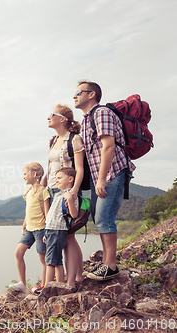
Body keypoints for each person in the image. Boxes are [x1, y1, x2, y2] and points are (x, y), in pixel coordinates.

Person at [74, 80, 135, 280]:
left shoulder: (101, 113)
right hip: (100, 175)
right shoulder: (86, 119)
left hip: (112, 172)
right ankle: (107, 263)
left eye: (78, 93)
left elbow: (108, 146)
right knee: (99, 217)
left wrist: (101, 179)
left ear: (91, 94)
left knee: (104, 216)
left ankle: (111, 265)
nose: (74, 96)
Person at [41, 104, 85, 292]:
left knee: (69, 236)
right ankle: (73, 277)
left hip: (67, 189)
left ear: (63, 119)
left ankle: (75, 278)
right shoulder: (53, 140)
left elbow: (80, 168)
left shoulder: (74, 139)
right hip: (52, 190)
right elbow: (50, 166)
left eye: (52, 114)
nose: (48, 117)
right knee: (61, 235)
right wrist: (42, 186)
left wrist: (74, 190)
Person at [8, 162, 50, 292]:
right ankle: (22, 283)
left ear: (34, 174)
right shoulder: (28, 192)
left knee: (43, 258)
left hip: (40, 229)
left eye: (25, 174)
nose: (23, 177)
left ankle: (44, 285)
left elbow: (47, 214)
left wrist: (47, 231)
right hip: (29, 229)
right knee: (18, 253)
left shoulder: (43, 191)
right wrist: (23, 226)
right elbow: (28, 211)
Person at [42, 167, 79, 293]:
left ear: (70, 179)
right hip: (51, 230)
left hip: (58, 230)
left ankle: (47, 288)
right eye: (56, 178)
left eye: (59, 178)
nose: (56, 181)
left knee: (50, 261)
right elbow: (51, 216)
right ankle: (60, 286)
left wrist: (69, 199)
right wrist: (46, 233)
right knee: (57, 261)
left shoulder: (71, 195)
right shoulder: (58, 194)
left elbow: (74, 215)